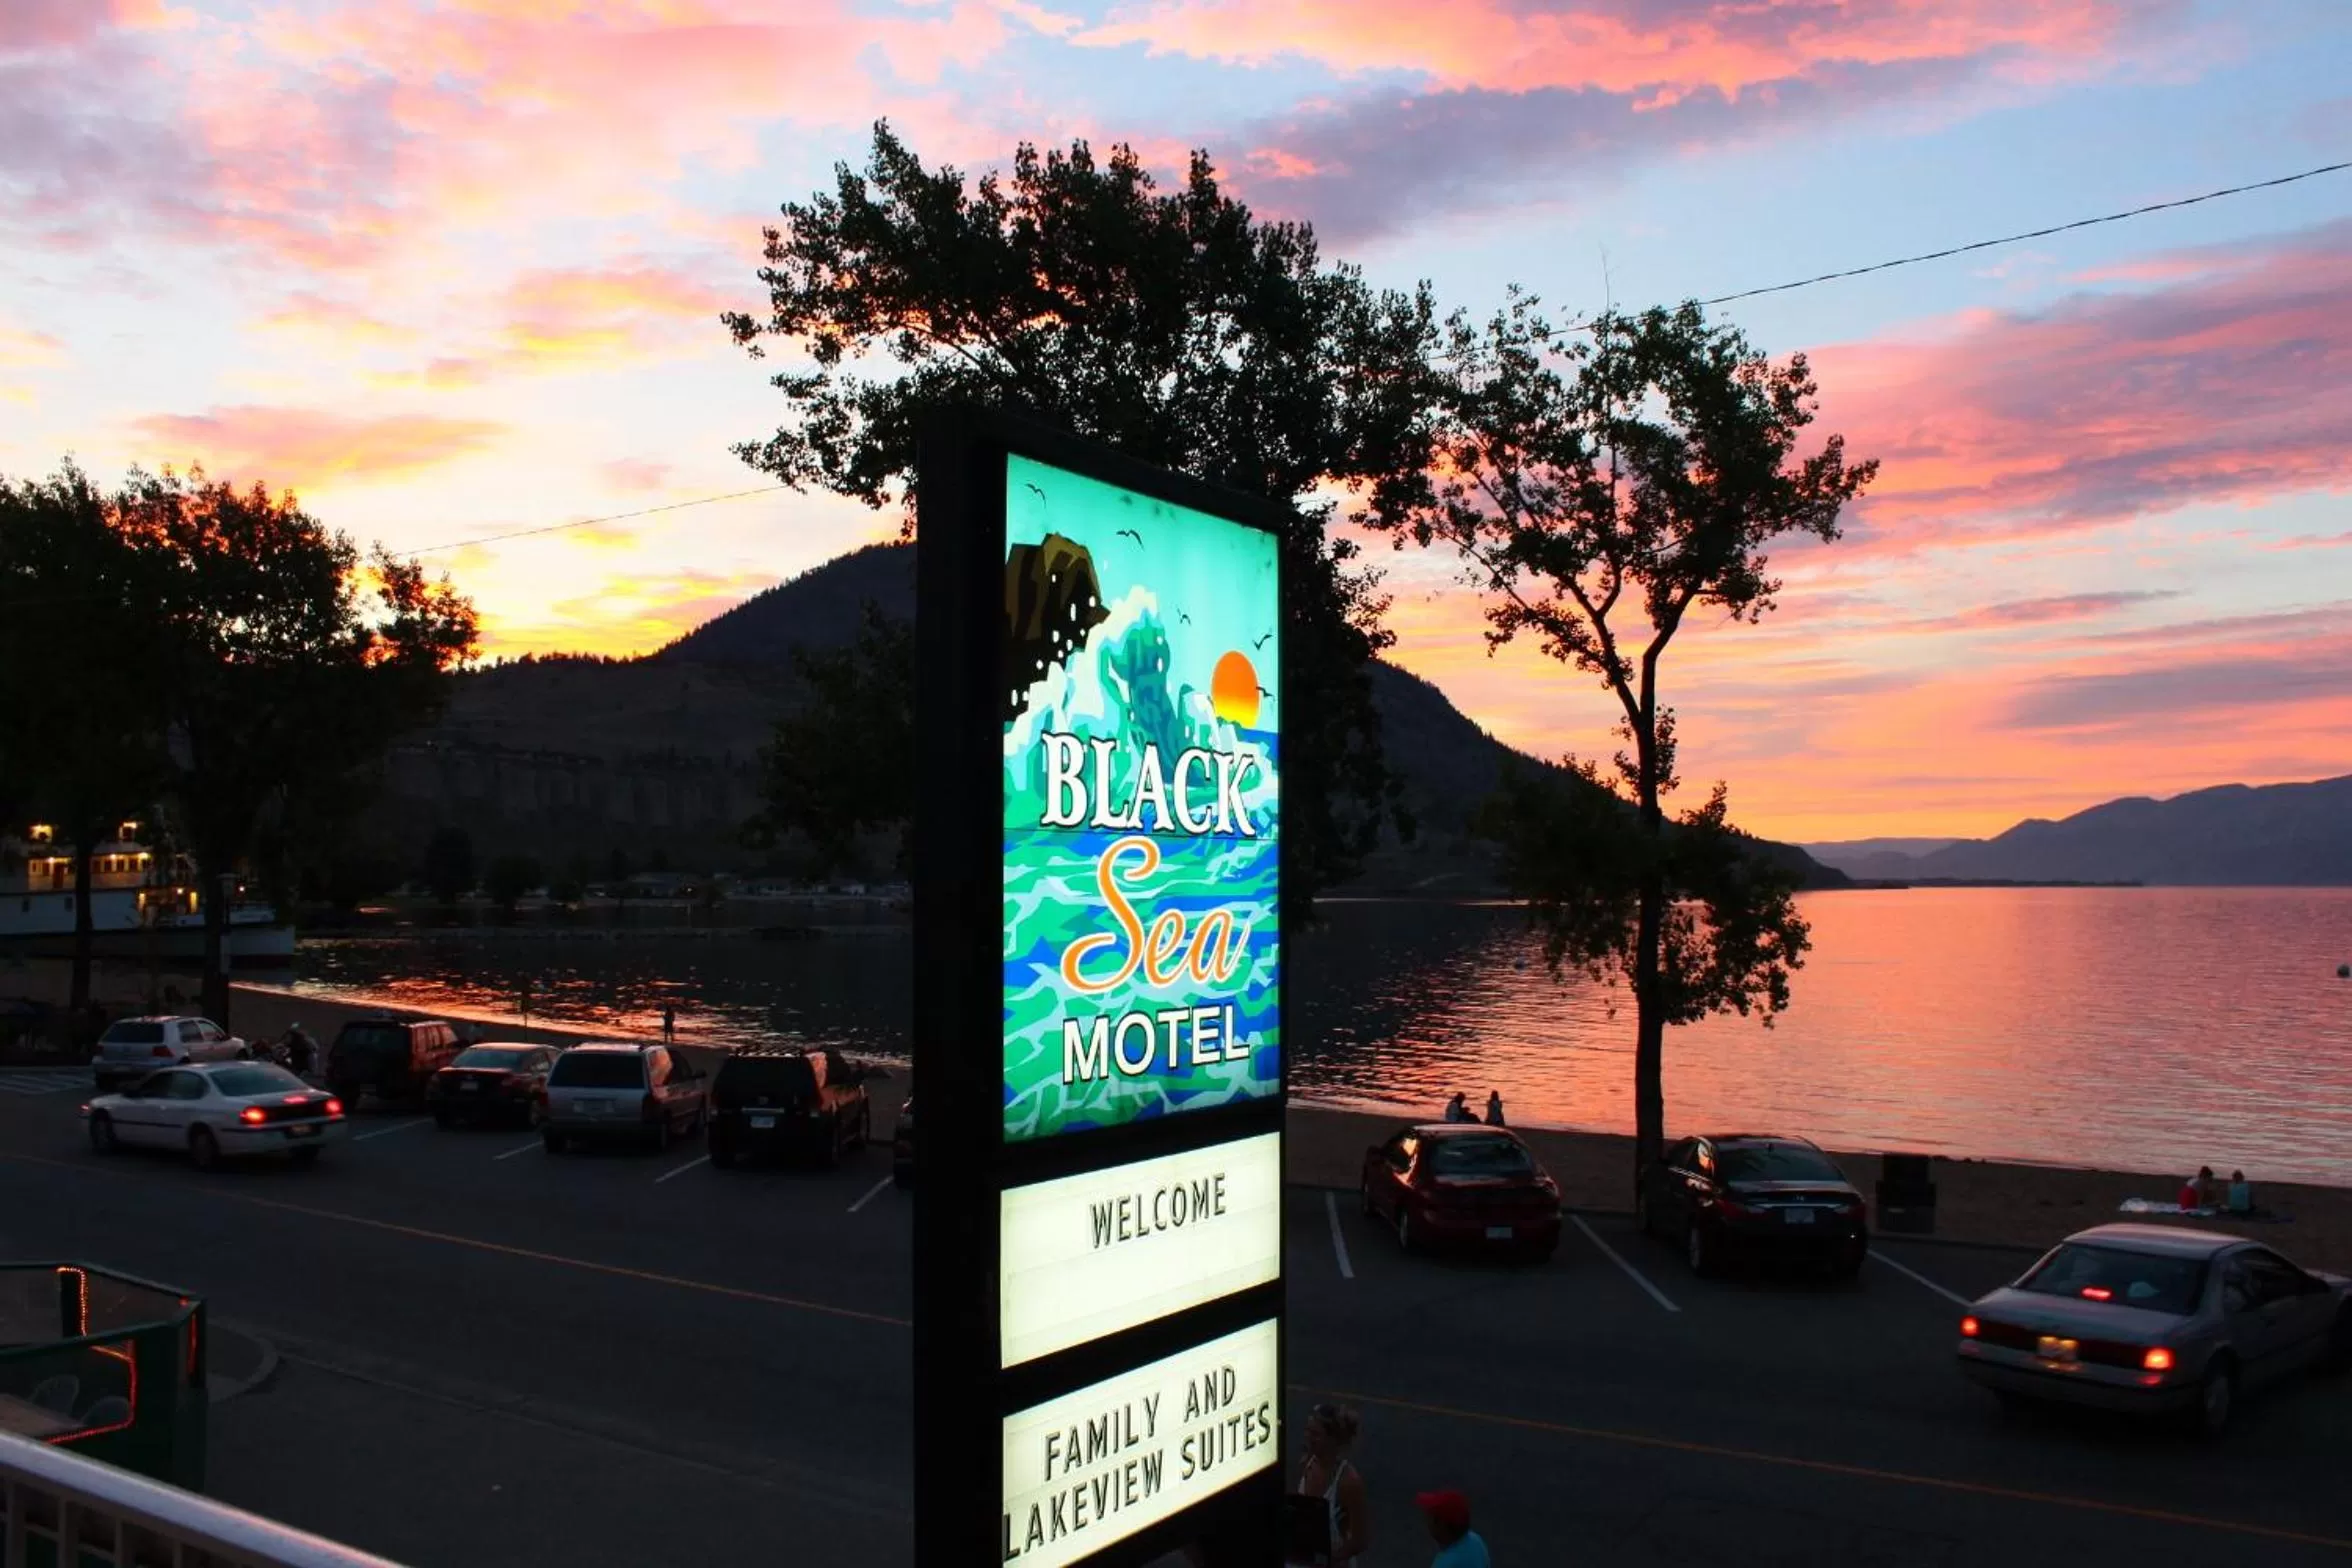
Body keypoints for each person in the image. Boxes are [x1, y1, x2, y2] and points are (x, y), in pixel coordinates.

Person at [1288, 1403, 1369, 1567]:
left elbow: (1361, 1540)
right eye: (1308, 1431)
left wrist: (1329, 1560)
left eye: (1315, 1434)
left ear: (1333, 1440)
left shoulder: (1348, 1482)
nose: (1308, 1437)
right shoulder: (1306, 1464)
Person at [1417, 1490, 1491, 1567]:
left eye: (1431, 1515)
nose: (1426, 1518)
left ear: (1442, 1526)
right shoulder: (1475, 1540)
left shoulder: (1446, 1564)